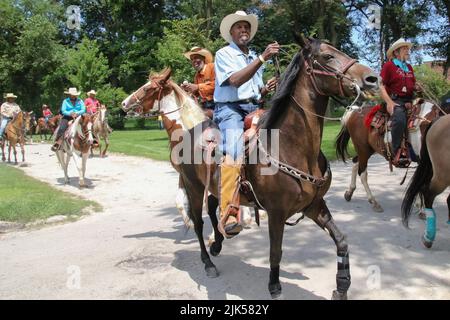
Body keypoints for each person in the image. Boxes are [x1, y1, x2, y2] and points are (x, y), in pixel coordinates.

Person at [214, 10, 279, 238]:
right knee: (233, 150)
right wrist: (262, 58)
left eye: (246, 27)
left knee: (278, 138)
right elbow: (234, 81)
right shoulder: (223, 54)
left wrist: (264, 89)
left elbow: (253, 90)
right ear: (231, 32)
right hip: (230, 109)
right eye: (239, 27)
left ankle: (276, 193)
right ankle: (229, 213)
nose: (244, 30)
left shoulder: (252, 57)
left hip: (253, 107)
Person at [380, 38, 419, 167]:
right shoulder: (389, 66)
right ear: (396, 52)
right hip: (395, 100)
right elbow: (381, 85)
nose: (408, 51)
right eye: (404, 49)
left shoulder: (408, 67)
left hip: (410, 101)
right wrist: (389, 103)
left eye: (408, 49)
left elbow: (412, 84)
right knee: (400, 120)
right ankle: (396, 151)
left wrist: (416, 87)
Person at [182, 46, 216, 118]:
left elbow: (217, 85)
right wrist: (188, 89)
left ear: (203, 58)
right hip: (205, 105)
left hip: (217, 104)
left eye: (196, 57)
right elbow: (196, 94)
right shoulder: (196, 76)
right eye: (192, 59)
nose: (194, 61)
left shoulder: (212, 67)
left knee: (200, 119)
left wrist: (197, 87)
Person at [51, 87, 86, 151]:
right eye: (72, 94)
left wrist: (76, 113)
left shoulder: (80, 101)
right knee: (62, 128)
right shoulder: (65, 101)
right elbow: (63, 110)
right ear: (69, 94)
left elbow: (83, 109)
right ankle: (58, 142)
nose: (73, 96)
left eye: (74, 94)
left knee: (88, 125)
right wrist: (70, 113)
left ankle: (91, 140)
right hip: (67, 117)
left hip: (78, 116)